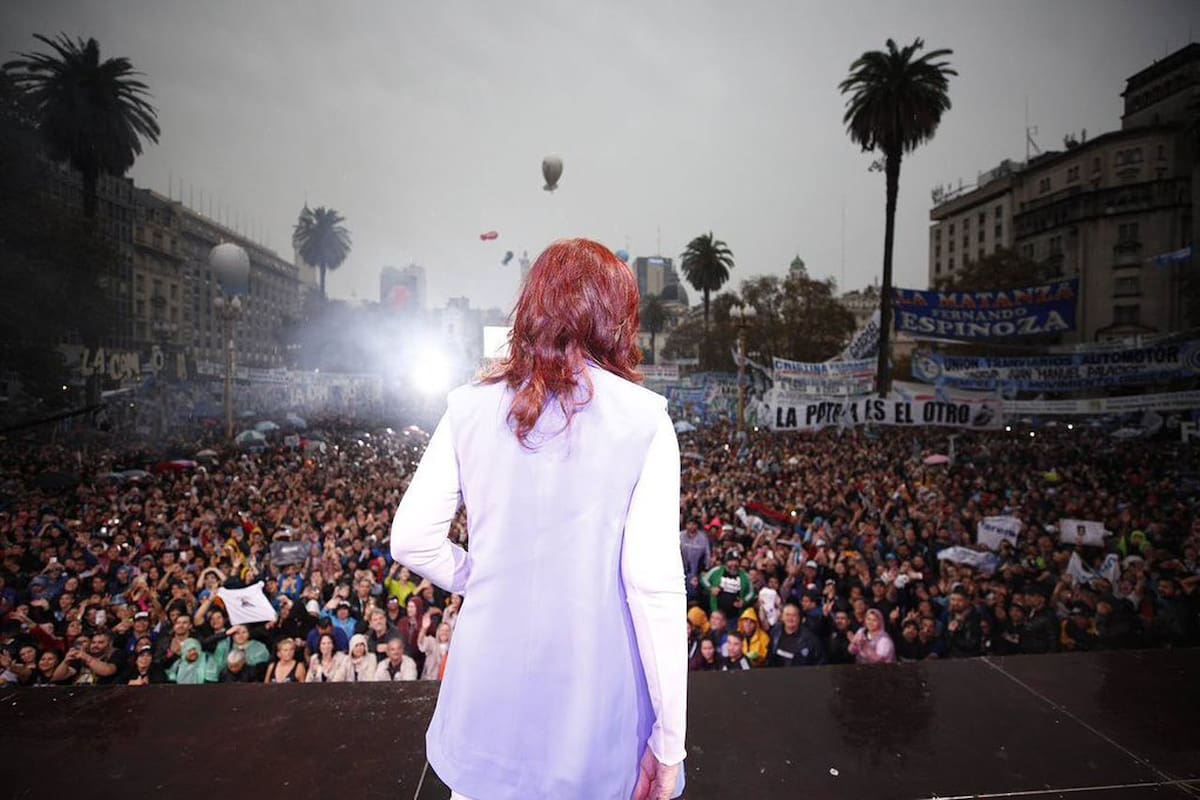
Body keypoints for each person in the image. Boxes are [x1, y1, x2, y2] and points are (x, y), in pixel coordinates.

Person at [390, 240, 686, 800]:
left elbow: (410, 540)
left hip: (487, 700)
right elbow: (654, 591)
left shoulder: (467, 406)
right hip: (595, 709)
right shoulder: (646, 421)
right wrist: (670, 742)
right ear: (615, 316)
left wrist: (480, 578)